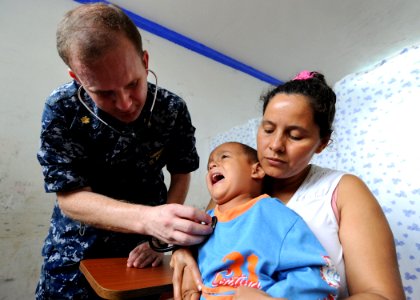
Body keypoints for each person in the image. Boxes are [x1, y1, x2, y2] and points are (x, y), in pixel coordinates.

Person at [170, 71, 405, 299]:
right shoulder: (236, 187)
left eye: (295, 135)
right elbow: (207, 242)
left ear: (322, 143)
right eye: (268, 129)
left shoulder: (343, 191)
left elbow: (384, 296)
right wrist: (183, 254)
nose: (275, 145)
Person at [35, 3, 213, 299]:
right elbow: (69, 197)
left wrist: (157, 239)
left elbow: (181, 173)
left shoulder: (172, 108)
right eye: (104, 93)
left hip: (143, 254)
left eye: (133, 84)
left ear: (145, 62)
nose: (126, 103)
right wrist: (150, 220)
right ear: (77, 78)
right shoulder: (61, 108)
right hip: (75, 255)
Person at [197, 141, 339, 299]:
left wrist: (270, 297)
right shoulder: (204, 222)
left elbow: (318, 277)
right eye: (209, 165)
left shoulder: (272, 214)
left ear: (256, 170)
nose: (212, 165)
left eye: (224, 157)